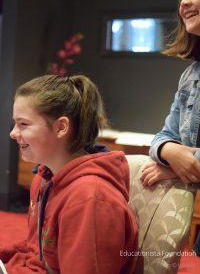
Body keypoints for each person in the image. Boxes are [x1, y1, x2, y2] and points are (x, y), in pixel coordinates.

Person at [2, 74, 138, 273]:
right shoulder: (43, 178)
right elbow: (39, 252)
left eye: (23, 124)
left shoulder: (90, 199)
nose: (13, 133)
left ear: (61, 127)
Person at [140, 0, 200, 257]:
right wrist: (169, 153)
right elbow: (163, 137)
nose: (185, 2)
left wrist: (184, 166)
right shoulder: (190, 77)